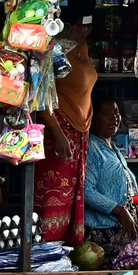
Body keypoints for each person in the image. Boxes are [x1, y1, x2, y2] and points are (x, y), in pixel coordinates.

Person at [36, 14, 97, 243]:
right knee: (52, 193)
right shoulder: (53, 49)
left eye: (89, 26)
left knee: (72, 194)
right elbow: (41, 94)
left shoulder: (82, 45)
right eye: (81, 25)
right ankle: (46, 247)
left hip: (79, 131)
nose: (85, 31)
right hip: (59, 130)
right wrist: (57, 132)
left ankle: (68, 249)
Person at [83, 98, 138, 259]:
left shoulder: (112, 146)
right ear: (93, 120)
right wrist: (121, 212)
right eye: (107, 114)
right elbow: (86, 191)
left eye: (116, 113)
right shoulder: (92, 148)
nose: (114, 118)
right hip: (103, 231)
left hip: (120, 230)